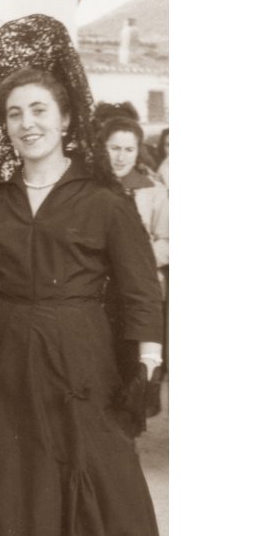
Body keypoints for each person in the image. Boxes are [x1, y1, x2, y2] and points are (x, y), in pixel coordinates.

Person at [0, 15, 164, 534]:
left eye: (39, 110)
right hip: (5, 364)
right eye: (15, 114)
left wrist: (146, 362)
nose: (27, 123)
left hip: (82, 360)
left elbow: (140, 290)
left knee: (90, 474)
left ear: (66, 119)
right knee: (6, 479)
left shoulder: (105, 199)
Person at [99, 112, 170, 416]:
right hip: (98, 292)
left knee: (132, 367)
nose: (120, 157)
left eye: (128, 149)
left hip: (137, 292)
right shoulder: (89, 189)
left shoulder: (153, 191)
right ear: (103, 148)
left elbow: (169, 240)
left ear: (138, 150)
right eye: (114, 148)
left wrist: (133, 259)